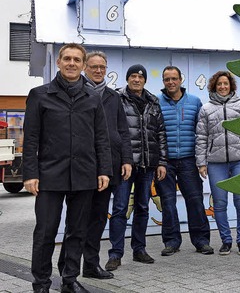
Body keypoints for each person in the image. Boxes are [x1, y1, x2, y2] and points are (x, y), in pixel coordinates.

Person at [23, 43, 112, 293]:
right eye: (67, 59)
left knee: (77, 231)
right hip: (49, 175)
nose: (72, 63)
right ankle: (41, 283)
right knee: (46, 231)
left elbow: (101, 138)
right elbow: (30, 138)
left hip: (84, 175)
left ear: (83, 65)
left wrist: (104, 170)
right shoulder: (40, 95)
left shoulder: (93, 98)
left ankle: (69, 279)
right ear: (59, 63)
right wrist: (30, 174)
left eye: (76, 60)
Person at [57, 51, 133, 281]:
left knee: (99, 218)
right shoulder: (77, 93)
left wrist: (127, 159)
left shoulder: (113, 97)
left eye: (102, 67)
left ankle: (91, 264)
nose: (98, 71)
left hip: (108, 168)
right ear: (84, 68)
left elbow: (123, 131)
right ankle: (68, 269)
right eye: (93, 67)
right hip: (83, 167)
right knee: (77, 221)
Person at [106, 64, 167, 271]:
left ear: (145, 80)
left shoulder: (153, 102)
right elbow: (113, 132)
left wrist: (161, 162)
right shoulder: (117, 99)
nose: (136, 80)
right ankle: (115, 254)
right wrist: (121, 159)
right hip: (126, 165)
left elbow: (160, 134)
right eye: (133, 76)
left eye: (140, 77)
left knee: (142, 208)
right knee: (120, 208)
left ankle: (139, 249)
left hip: (148, 165)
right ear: (128, 79)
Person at [196, 71, 240, 256]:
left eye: (226, 84)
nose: (223, 87)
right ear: (214, 87)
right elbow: (201, 137)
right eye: (219, 84)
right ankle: (226, 240)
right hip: (216, 163)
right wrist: (201, 162)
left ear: (231, 86)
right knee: (220, 203)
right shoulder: (206, 109)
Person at [156, 66, 214, 256]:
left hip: (189, 160)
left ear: (181, 79)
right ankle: (171, 241)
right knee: (168, 202)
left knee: (195, 201)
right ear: (163, 82)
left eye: (174, 78)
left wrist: (201, 159)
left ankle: (201, 241)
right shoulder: (156, 102)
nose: (171, 82)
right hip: (165, 162)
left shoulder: (195, 102)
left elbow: (202, 132)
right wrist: (158, 161)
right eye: (167, 79)